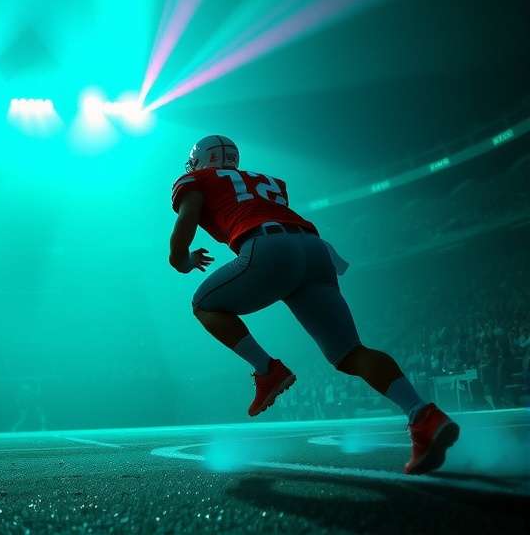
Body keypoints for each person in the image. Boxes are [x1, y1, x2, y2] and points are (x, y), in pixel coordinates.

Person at [168, 135, 459, 475]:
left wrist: (182, 260)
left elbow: (187, 219)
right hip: (315, 249)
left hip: (268, 247)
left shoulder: (197, 179)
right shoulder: (264, 181)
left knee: (204, 304)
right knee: (350, 353)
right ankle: (423, 415)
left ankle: (267, 369)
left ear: (200, 160)